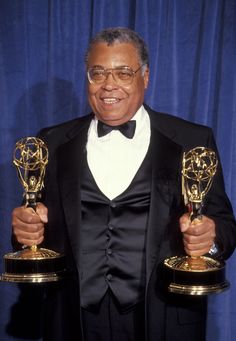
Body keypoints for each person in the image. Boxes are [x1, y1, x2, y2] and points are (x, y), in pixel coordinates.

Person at [11, 27, 236, 341]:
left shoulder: (192, 140)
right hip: (72, 322)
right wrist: (24, 233)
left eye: (123, 73)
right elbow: (33, 228)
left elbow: (225, 226)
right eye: (97, 72)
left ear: (145, 77)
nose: (108, 85)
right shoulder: (52, 141)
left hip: (164, 321)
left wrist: (208, 241)